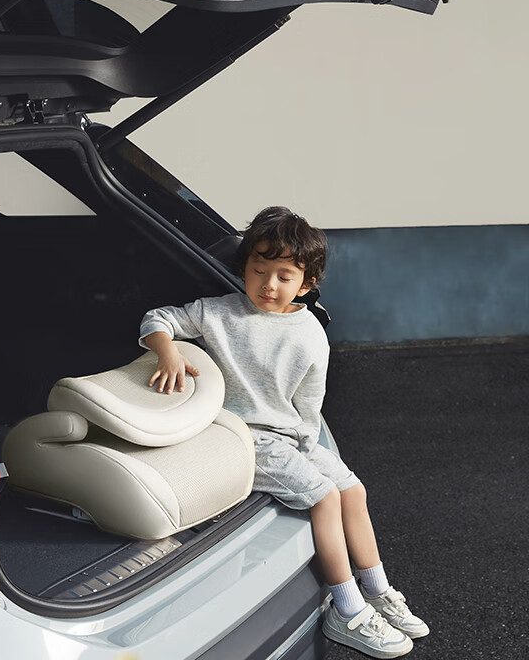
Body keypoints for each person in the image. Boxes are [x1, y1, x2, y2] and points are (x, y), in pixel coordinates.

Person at [139, 206, 428, 659]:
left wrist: (307, 448)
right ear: (244, 268)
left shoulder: (310, 331)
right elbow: (158, 318)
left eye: (283, 276)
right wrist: (167, 352)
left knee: (352, 490)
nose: (268, 285)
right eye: (258, 271)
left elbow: (309, 403)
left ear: (306, 284)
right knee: (324, 497)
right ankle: (347, 610)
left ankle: (377, 591)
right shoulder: (216, 313)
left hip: (291, 436)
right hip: (242, 437)